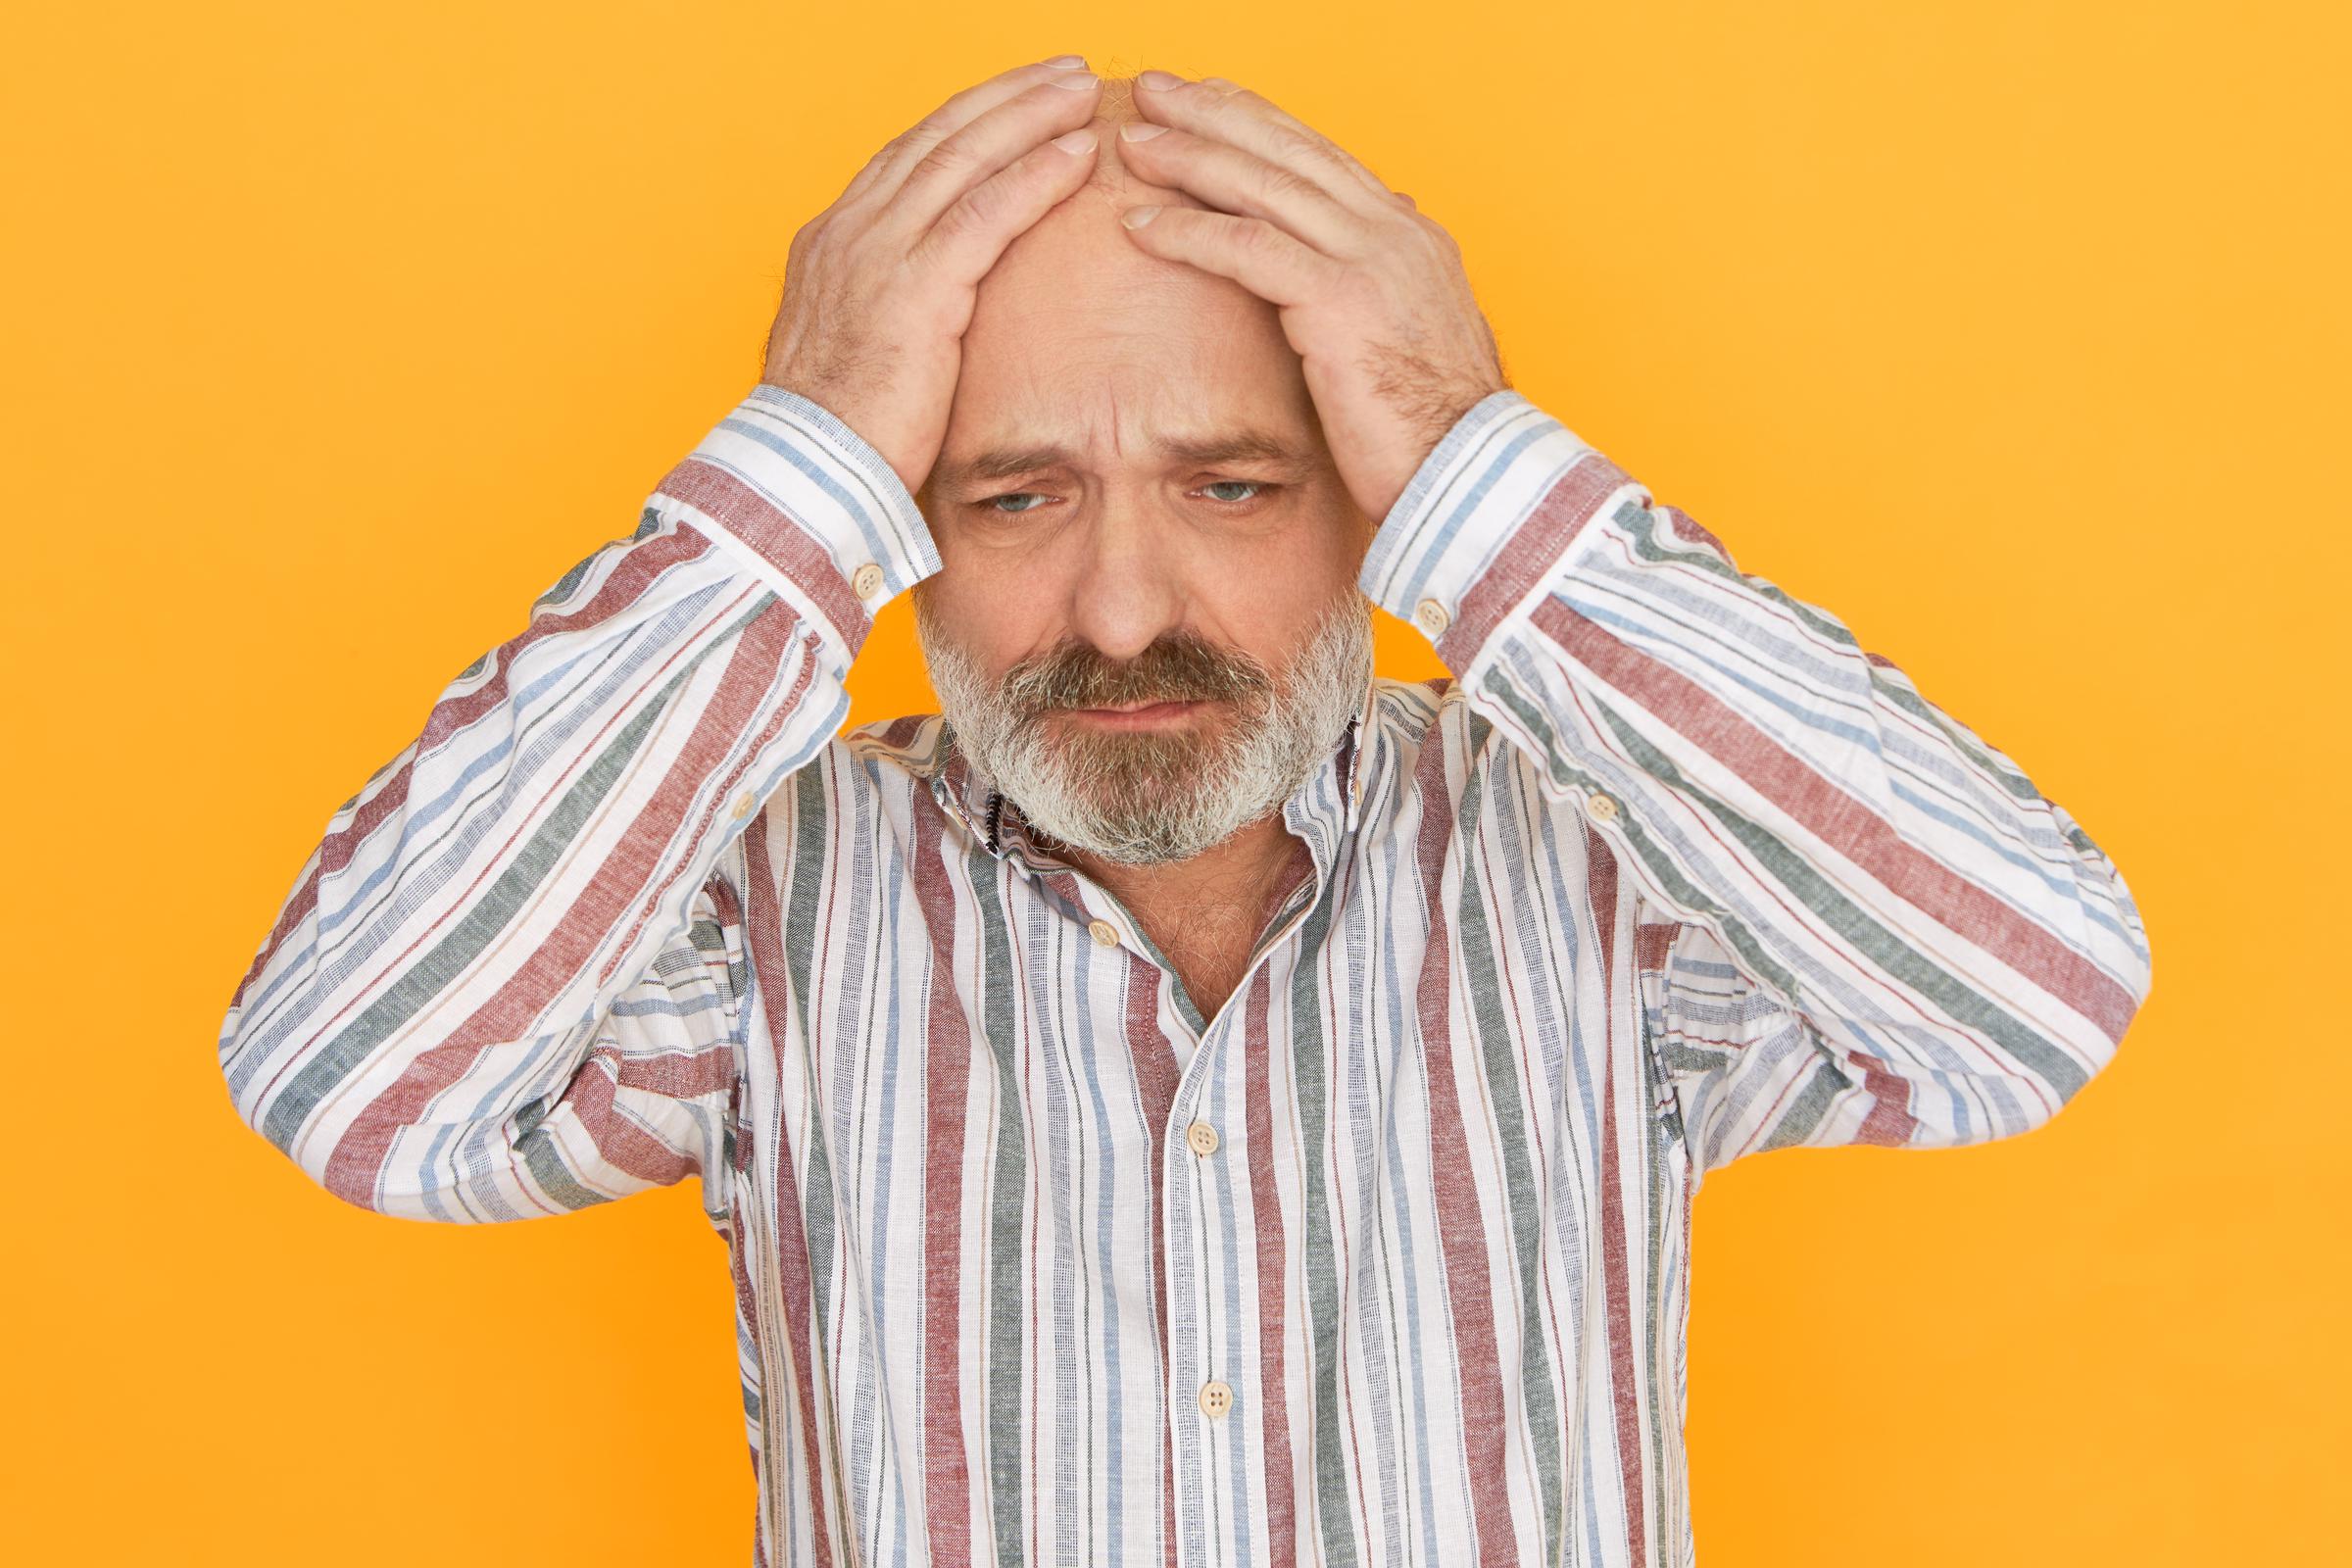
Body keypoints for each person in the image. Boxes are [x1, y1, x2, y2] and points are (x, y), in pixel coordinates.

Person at [216, 58, 2154, 1568]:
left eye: (1233, 485)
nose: (1125, 607)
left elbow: (2031, 998)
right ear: (901, 533)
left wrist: (1483, 459)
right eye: (1013, 496)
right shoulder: (761, 908)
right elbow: (353, 1085)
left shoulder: (1602, 869)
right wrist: (795, 465)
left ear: (1373, 503)